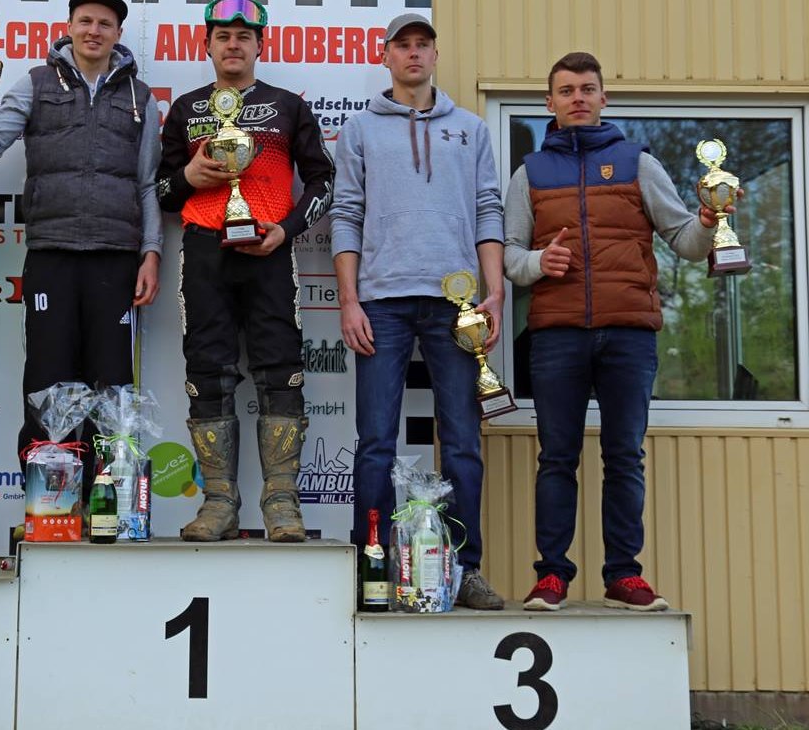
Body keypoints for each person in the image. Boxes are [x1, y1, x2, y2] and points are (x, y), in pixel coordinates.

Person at [504, 52, 730, 611]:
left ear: (604, 98)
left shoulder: (639, 163)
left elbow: (683, 240)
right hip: (557, 335)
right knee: (557, 457)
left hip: (629, 334)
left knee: (624, 456)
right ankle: (551, 576)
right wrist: (537, 265)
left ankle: (623, 576)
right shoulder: (529, 173)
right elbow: (508, 255)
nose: (577, 97)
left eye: (587, 88)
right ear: (549, 103)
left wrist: (708, 221)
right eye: (566, 90)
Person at [329, 13, 506, 609]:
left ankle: (467, 569)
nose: (412, 54)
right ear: (384, 57)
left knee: (460, 442)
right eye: (401, 45)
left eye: (422, 45)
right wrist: (349, 301)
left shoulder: (472, 130)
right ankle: (370, 566)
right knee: (375, 439)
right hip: (381, 301)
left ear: (434, 55)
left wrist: (495, 291)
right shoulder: (358, 130)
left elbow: (487, 210)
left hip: (455, 306)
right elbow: (346, 215)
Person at [0, 0, 161, 485]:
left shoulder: (140, 96)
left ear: (117, 32)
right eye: (85, 21)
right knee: (48, 379)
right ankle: (49, 504)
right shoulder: (36, 82)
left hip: (116, 257)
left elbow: (147, 182)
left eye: (104, 23)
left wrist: (150, 252)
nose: (94, 31)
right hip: (51, 253)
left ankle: (110, 504)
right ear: (69, 28)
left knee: (112, 386)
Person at [157, 0, 334, 542]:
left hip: (270, 249)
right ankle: (218, 503)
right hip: (205, 250)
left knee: (281, 371)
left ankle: (282, 504)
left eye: (243, 36)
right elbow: (162, 192)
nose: (233, 44)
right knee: (208, 374)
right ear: (206, 46)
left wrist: (288, 229)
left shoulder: (287, 107)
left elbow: (324, 181)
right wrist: (189, 173)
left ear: (261, 45)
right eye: (222, 36)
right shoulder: (186, 109)